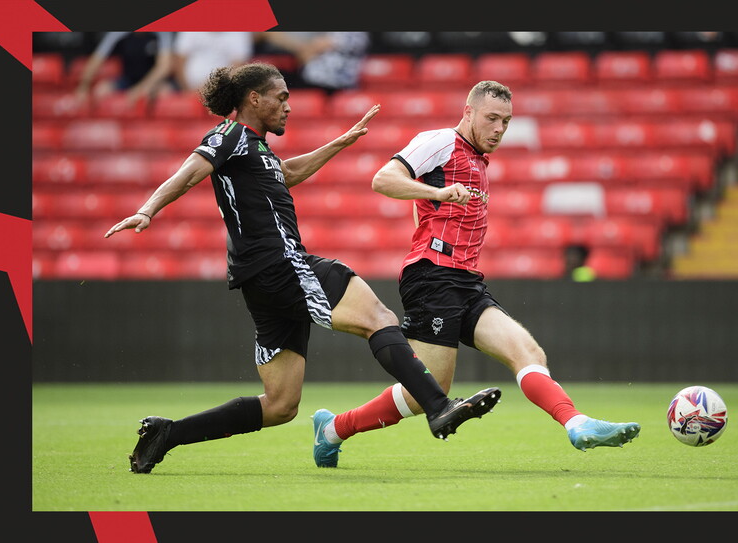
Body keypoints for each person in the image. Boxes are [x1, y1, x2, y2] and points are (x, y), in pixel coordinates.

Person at [104, 63, 501, 474]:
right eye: (281, 97)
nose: (288, 106)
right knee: (377, 318)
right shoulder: (229, 135)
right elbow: (188, 175)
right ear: (254, 99)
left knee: (280, 405)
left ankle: (167, 434)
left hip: (260, 281)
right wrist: (146, 210)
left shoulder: (255, 148)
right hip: (281, 264)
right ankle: (438, 406)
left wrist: (339, 143)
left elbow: (286, 172)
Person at [311, 81, 640, 468]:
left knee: (528, 352)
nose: (499, 128)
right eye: (491, 118)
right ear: (468, 112)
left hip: (467, 281)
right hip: (431, 276)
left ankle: (576, 423)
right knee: (427, 393)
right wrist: (437, 194)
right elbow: (382, 179)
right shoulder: (439, 141)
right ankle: (332, 430)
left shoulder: (478, 160)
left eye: (506, 121)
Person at [73, 31, 175, 105]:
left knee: (165, 92)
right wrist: (83, 86)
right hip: (127, 80)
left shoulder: (162, 32)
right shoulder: (119, 33)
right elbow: (97, 59)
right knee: (100, 90)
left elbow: (164, 67)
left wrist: (140, 89)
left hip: (152, 82)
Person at [256, 31, 370, 94]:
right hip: (312, 80)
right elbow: (305, 54)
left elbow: (310, 51)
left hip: (335, 85)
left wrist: (306, 51)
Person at [172, 32, 255, 91]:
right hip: (187, 89)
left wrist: (213, 90)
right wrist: (187, 90)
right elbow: (179, 61)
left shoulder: (239, 33)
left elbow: (237, 68)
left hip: (221, 92)